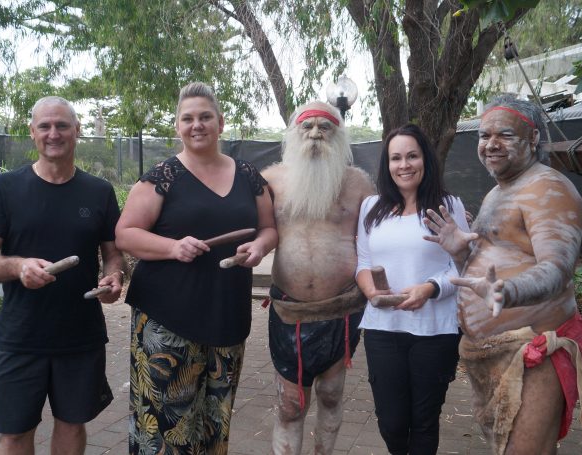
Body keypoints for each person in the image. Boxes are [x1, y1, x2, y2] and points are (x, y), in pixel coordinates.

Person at [115, 82, 277, 454]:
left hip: (226, 316)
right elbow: (125, 234)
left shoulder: (249, 176)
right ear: (177, 127)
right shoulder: (161, 178)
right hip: (167, 321)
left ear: (221, 122)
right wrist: (173, 246)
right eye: (188, 119)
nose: (197, 125)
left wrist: (260, 245)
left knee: (214, 420)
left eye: (205, 117)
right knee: (164, 426)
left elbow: (269, 229)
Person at [424, 94, 582, 455]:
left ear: (532, 139)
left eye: (505, 135)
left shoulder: (547, 187)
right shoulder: (498, 193)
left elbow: (556, 270)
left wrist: (506, 292)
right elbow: (496, 263)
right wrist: (459, 251)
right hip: (496, 353)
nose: (491, 144)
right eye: (484, 136)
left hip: (536, 351)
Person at [0, 96, 126, 455]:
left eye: (62, 125)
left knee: (72, 425)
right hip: (20, 336)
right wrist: (18, 266)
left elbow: (114, 255)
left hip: (80, 335)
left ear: (77, 131)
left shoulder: (99, 191)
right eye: (45, 126)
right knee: (14, 433)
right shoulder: (4, 188)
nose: (53, 133)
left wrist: (114, 279)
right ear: (32, 133)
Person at [262, 101, 374, 454]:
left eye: (324, 128)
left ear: (338, 135)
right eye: (306, 127)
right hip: (288, 311)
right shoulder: (271, 180)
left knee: (330, 395)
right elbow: (247, 226)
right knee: (290, 405)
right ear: (292, 133)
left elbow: (384, 234)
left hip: (341, 309)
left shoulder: (358, 183)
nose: (314, 134)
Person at [355, 124, 467, 454]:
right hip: (382, 327)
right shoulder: (371, 208)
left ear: (425, 160)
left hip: (435, 330)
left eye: (412, 156)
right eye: (396, 158)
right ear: (387, 165)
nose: (404, 165)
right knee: (390, 421)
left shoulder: (447, 206)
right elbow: (362, 262)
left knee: (424, 420)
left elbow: (461, 267)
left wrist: (430, 288)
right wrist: (372, 293)